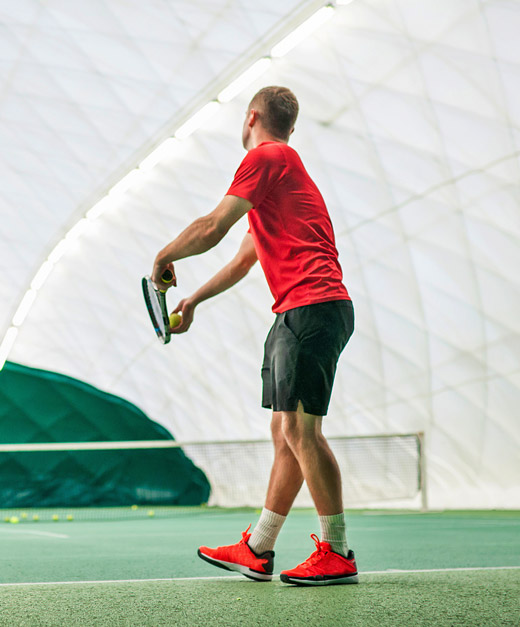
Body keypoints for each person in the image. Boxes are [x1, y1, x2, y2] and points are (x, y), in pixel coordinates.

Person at [150, 86, 357, 586]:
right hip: (297, 310)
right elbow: (244, 259)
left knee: (303, 432)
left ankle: (337, 551)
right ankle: (258, 549)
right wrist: (193, 300)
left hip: (313, 306)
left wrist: (165, 256)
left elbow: (213, 225)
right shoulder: (278, 183)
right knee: (284, 431)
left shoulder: (269, 156)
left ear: (252, 118)